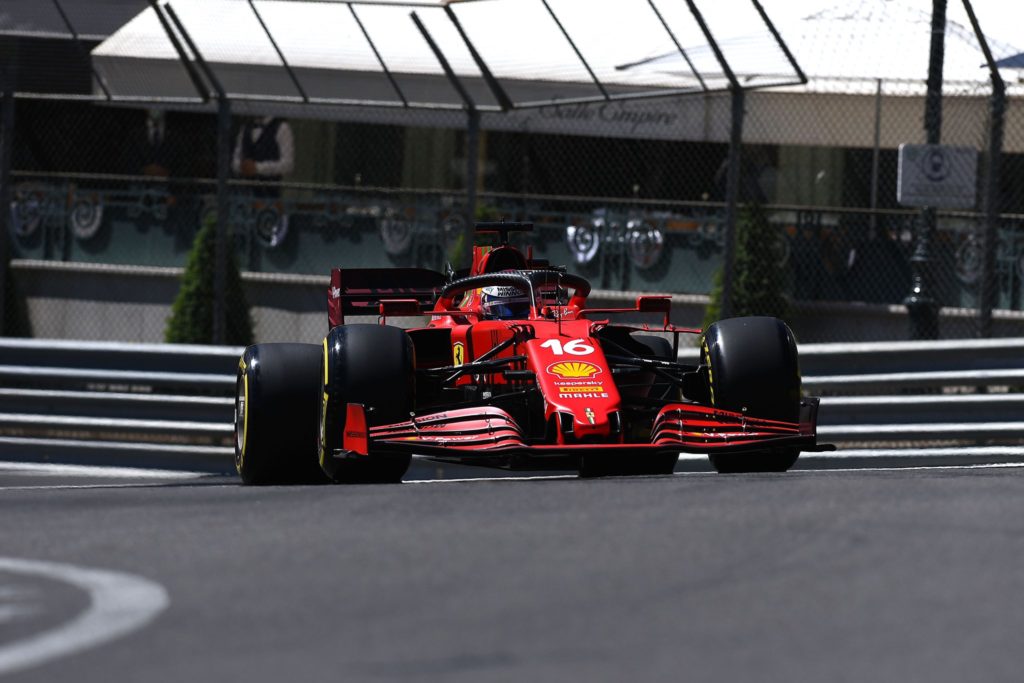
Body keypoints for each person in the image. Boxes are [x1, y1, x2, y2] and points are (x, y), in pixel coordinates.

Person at [232, 116, 294, 247]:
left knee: (271, 233)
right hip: (246, 195)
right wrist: (242, 166)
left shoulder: (282, 128)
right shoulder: (246, 129)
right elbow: (235, 160)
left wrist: (258, 168)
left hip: (271, 193)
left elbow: (288, 164)